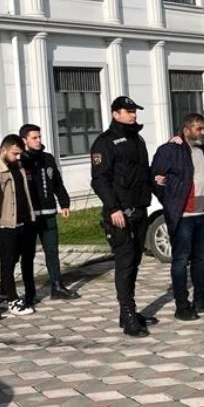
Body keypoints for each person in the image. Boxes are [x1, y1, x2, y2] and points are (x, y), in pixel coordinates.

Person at [90, 96, 158, 337]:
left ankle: (128, 310)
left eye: (134, 111)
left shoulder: (136, 139)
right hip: (119, 212)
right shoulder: (104, 142)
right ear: (114, 113)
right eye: (128, 111)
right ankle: (128, 315)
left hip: (139, 208)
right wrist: (113, 208)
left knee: (135, 261)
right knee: (125, 263)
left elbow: (142, 172)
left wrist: (155, 181)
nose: (133, 115)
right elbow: (99, 180)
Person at [152, 113, 204, 320]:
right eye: (199, 129)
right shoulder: (170, 150)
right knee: (181, 260)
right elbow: (155, 178)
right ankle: (182, 305)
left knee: (203, 259)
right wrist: (171, 201)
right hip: (184, 215)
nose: (203, 132)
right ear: (187, 129)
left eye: (203, 128)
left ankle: (202, 300)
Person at [20, 124, 79, 301]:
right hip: (29, 216)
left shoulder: (47, 158)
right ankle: (30, 291)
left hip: (49, 213)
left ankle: (57, 286)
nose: (39, 141)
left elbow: (57, 183)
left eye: (39, 137)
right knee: (28, 254)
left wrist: (64, 203)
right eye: (34, 138)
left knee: (52, 251)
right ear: (24, 140)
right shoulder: (21, 160)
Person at [0, 136, 37, 316]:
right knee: (7, 262)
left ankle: (2, 295)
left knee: (16, 259)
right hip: (5, 224)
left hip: (23, 220)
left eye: (20, 154)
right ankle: (12, 300)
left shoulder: (19, 165)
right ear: (3, 150)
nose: (18, 157)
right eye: (15, 153)